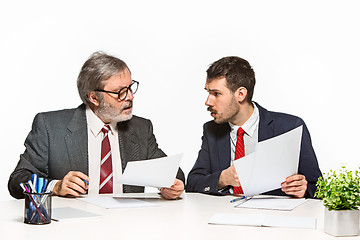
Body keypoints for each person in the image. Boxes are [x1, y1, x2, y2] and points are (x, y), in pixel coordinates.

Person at [8, 52, 185, 200]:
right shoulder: (50, 127)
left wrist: (171, 186)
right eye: (120, 92)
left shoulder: (140, 128)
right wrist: (55, 186)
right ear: (93, 98)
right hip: (73, 227)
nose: (130, 96)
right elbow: (18, 181)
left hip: (128, 225)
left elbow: (173, 174)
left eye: (130, 88)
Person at [186, 56, 321, 198]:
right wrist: (222, 178)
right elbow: (193, 183)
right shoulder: (212, 130)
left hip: (273, 216)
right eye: (208, 92)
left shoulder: (290, 127)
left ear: (241, 94)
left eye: (216, 94)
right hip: (225, 212)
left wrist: (303, 189)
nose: (208, 101)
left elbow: (318, 188)